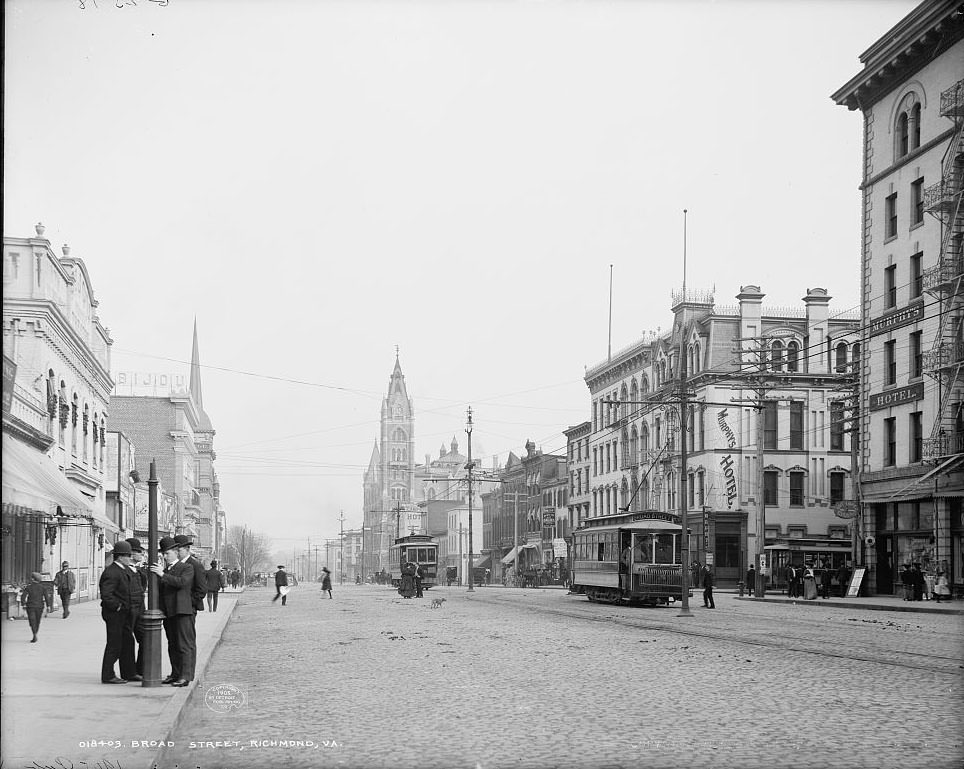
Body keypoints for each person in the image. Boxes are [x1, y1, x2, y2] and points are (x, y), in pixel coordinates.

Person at [150, 536, 195, 686]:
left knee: (184, 645)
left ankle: (185, 676)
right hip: (169, 613)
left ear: (176, 552)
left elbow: (182, 583)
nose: (164, 556)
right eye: (163, 553)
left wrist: (162, 575)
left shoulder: (186, 568)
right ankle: (175, 673)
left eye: (167, 553)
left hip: (182, 612)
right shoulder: (165, 570)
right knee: (173, 645)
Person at [100, 540, 136, 684]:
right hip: (115, 614)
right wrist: (118, 606)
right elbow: (106, 594)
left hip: (124, 614)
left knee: (127, 642)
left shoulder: (122, 570)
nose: (130, 558)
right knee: (114, 644)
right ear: (120, 557)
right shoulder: (112, 571)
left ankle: (129, 673)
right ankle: (108, 675)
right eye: (128, 555)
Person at [125, 537, 148, 679]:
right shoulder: (124, 570)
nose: (141, 555)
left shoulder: (139, 572)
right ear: (132, 553)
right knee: (127, 642)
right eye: (140, 552)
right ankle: (130, 672)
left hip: (140, 611)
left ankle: (140, 669)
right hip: (128, 611)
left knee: (145, 638)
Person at [173, 534, 207, 613]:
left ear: (187, 549)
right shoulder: (175, 564)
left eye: (179, 550)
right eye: (175, 551)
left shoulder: (196, 565)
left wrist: (189, 602)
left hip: (188, 609)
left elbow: (201, 590)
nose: (177, 553)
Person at [20, 572, 46, 643]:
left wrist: (23, 604)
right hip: (40, 606)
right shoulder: (42, 587)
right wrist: (49, 606)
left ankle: (34, 633)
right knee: (37, 621)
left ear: (32, 579)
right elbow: (46, 597)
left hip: (30, 606)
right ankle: (35, 633)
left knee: (32, 621)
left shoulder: (28, 587)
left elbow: (23, 596)